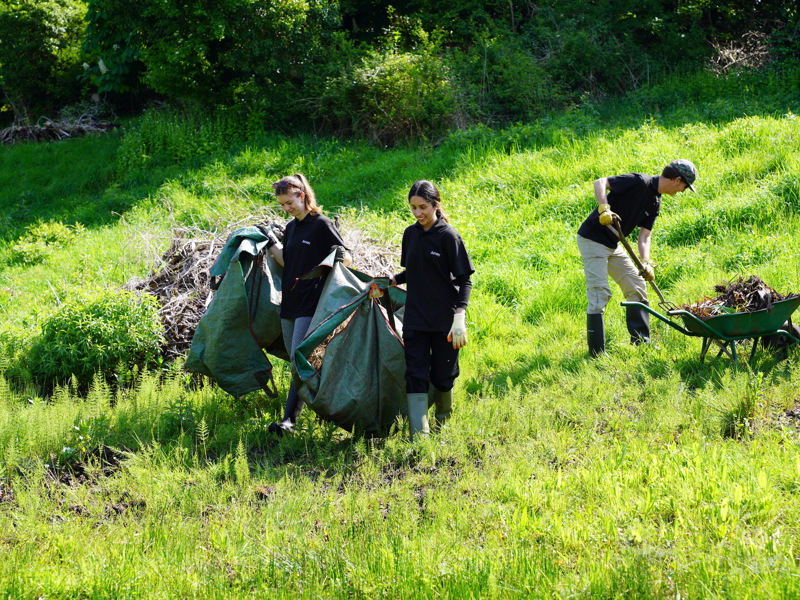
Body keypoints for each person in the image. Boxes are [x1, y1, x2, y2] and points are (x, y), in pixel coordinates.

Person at [576, 159, 697, 356]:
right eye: (685, 186)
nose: (682, 191)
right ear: (677, 180)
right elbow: (600, 182)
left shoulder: (655, 201)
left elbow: (644, 236)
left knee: (637, 287)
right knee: (600, 293)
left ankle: (641, 342)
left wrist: (646, 262)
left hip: (613, 244)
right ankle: (596, 353)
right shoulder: (639, 181)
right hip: (593, 239)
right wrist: (604, 208)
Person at [262, 173, 351, 434]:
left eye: (290, 202)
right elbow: (288, 262)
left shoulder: (321, 224)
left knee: (300, 360)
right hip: (290, 302)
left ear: (302, 195)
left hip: (312, 301)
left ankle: (289, 421)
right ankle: (325, 408)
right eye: (282, 205)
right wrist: (272, 244)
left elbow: (344, 259)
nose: (287, 208)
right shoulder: (291, 228)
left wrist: (329, 267)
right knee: (297, 361)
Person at [390, 180, 475, 438]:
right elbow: (415, 270)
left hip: (443, 320)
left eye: (423, 207)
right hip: (415, 317)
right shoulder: (410, 234)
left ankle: (442, 425)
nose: (418, 214)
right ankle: (420, 436)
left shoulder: (448, 236)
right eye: (413, 208)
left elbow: (464, 280)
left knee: (442, 376)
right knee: (414, 374)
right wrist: (394, 280)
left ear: (436, 204)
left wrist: (459, 315)